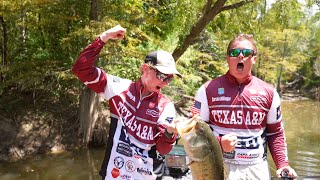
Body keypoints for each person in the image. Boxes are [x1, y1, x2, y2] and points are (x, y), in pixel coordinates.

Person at [72, 25, 181, 180]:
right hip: (114, 173)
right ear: (145, 69)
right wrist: (103, 37)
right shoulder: (119, 87)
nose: (166, 82)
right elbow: (80, 69)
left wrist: (170, 133)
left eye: (170, 78)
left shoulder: (166, 106)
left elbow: (163, 150)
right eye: (163, 76)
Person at [191, 34, 298, 179]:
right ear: (227, 58)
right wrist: (219, 143)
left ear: (254, 59)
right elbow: (195, 132)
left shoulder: (270, 92)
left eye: (247, 53)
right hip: (220, 164)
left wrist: (282, 164)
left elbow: (275, 133)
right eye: (234, 52)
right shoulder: (207, 90)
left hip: (256, 167)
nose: (240, 56)